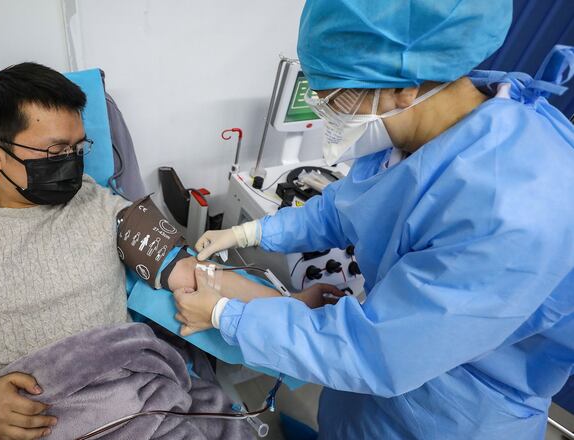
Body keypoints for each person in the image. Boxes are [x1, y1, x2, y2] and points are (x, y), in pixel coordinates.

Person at [0, 62, 295, 440]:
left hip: (136, 406)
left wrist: (294, 310)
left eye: (78, 148)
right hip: (31, 419)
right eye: (54, 153)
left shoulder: (104, 205)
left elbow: (190, 273)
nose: (72, 165)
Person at [173, 1, 574, 439]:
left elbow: (376, 353)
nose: (325, 107)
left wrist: (226, 315)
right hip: (385, 382)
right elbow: (349, 205)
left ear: (405, 86)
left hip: (454, 412)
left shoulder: (510, 208)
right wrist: (251, 231)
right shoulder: (426, 129)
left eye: (336, 96)